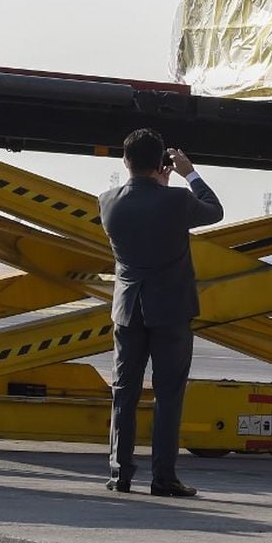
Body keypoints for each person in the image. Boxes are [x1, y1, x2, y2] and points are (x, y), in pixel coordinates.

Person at [98, 128, 223, 497]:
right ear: (161, 163)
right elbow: (214, 210)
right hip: (170, 310)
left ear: (125, 161)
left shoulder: (107, 201)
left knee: (125, 393)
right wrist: (188, 173)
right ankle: (163, 478)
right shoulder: (177, 201)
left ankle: (120, 473)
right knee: (168, 395)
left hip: (127, 310)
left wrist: (159, 181)